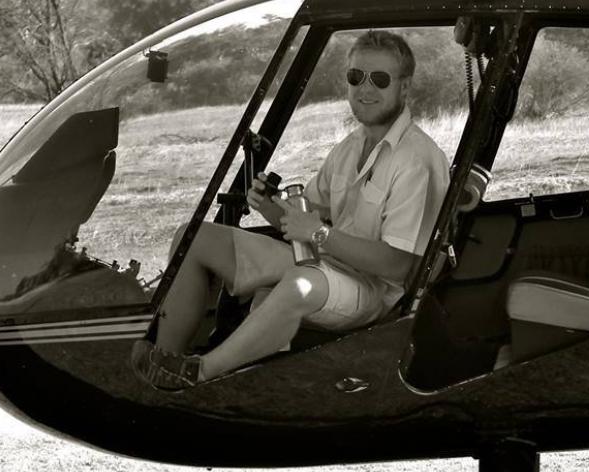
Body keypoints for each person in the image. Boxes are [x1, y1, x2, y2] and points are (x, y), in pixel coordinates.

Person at [131, 30, 450, 391]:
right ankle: (165, 363)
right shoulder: (351, 146)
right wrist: (269, 206)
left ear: (404, 89)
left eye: (380, 79)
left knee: (300, 284)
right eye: (355, 77)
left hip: (375, 292)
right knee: (195, 237)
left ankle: (199, 372)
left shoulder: (417, 160)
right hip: (328, 265)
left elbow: (400, 265)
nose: (365, 89)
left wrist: (320, 235)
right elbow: (304, 216)